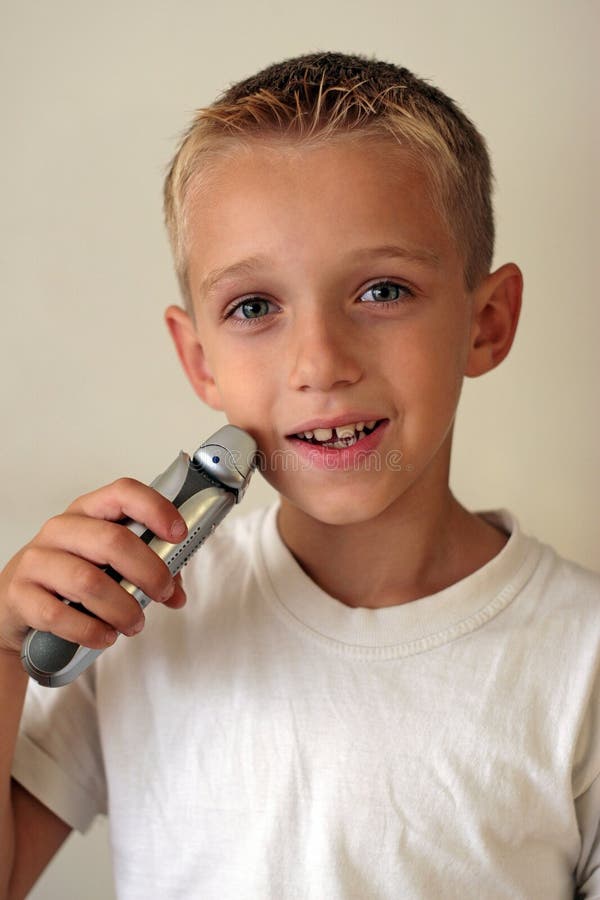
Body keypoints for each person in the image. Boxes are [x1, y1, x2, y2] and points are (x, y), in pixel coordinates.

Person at [0, 50, 598, 899]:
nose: (319, 362)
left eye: (383, 291)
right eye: (254, 308)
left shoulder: (583, 658)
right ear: (198, 358)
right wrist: (4, 649)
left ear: (487, 322)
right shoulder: (131, 622)